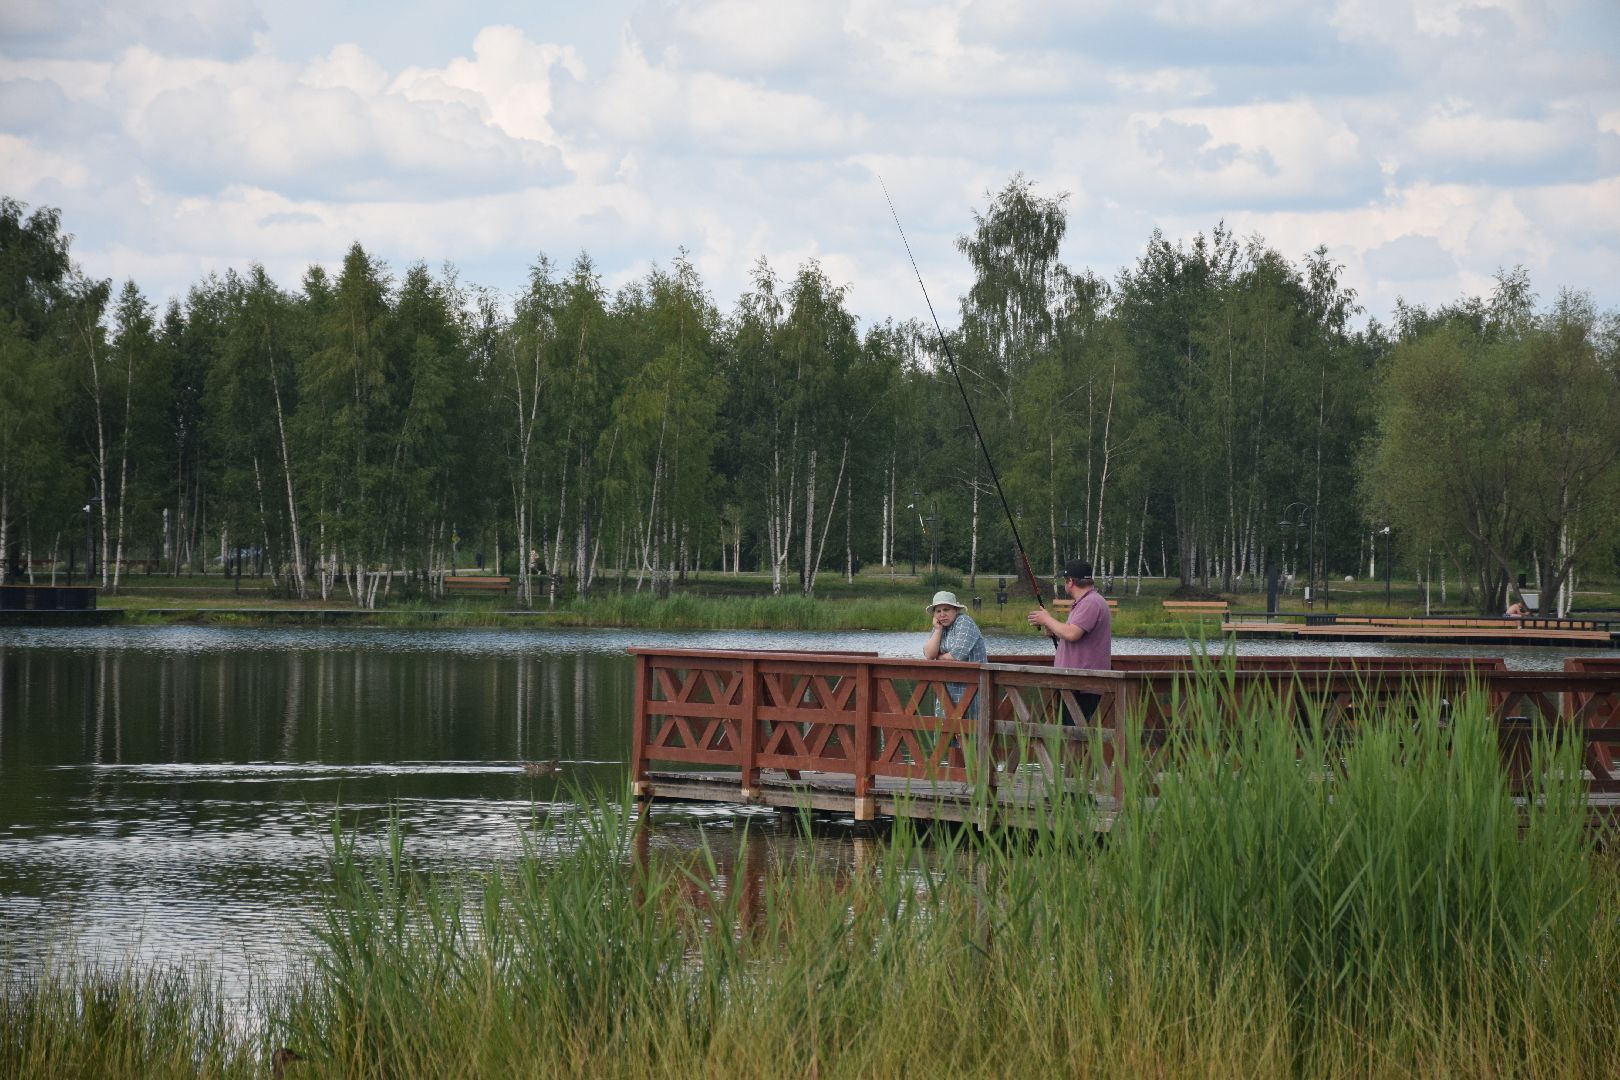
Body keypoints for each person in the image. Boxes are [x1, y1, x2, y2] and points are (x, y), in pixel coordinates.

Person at [1027, 559, 1113, 722]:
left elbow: (1072, 633)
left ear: (1071, 582)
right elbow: (1074, 633)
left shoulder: (1091, 602)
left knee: (1077, 738)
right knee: (1070, 738)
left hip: (1083, 686)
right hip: (1074, 684)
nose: (1065, 584)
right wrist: (1055, 631)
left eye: (1065, 580)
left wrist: (1047, 619)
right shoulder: (1085, 602)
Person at [922, 589, 986, 717]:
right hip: (947, 686)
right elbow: (929, 654)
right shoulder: (940, 627)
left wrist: (938, 658)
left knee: (969, 732)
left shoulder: (964, 622)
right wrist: (938, 630)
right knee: (944, 731)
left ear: (955, 610)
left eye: (946, 610)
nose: (942, 614)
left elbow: (957, 655)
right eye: (938, 611)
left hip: (972, 686)